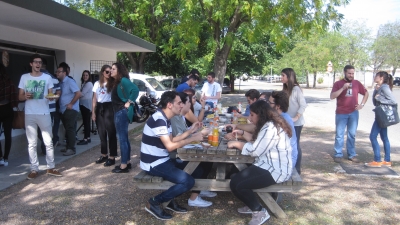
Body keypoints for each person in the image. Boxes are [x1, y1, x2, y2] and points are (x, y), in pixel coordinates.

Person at [227, 100, 292, 225]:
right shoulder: (268, 125)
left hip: (276, 169)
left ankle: (260, 211)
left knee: (237, 183)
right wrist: (241, 133)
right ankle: (252, 205)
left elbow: (255, 150)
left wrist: (236, 143)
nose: (249, 118)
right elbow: (258, 142)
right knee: (235, 177)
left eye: (252, 115)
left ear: (261, 114)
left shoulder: (270, 128)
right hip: (267, 164)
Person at [140, 91, 203, 220]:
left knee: (197, 169)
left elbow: (172, 139)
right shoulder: (159, 119)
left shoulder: (164, 118)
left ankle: (169, 200)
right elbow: (170, 146)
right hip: (153, 163)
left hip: (163, 160)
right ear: (169, 105)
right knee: (188, 181)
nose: (182, 106)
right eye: (179, 103)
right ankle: (155, 202)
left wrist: (191, 131)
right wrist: (192, 139)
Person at [18, 54, 62, 179]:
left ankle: (51, 167)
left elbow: (51, 95)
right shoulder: (24, 77)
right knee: (31, 143)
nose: (38, 64)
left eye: (40, 62)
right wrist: (24, 96)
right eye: (36, 62)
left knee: (48, 141)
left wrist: (53, 97)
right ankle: (34, 169)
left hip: (44, 112)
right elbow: (19, 97)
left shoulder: (47, 78)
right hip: (29, 113)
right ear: (31, 64)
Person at [170, 92, 216, 207]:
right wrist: (195, 135)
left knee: (208, 163)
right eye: (188, 102)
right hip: (175, 156)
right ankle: (193, 199)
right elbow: (177, 139)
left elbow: (186, 133)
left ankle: (200, 188)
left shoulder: (180, 116)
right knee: (199, 168)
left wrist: (195, 133)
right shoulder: (174, 118)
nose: (191, 104)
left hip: (182, 150)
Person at [330, 65, 368, 163]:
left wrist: (362, 104)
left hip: (353, 113)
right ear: (345, 73)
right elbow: (332, 96)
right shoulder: (338, 84)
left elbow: (366, 93)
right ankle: (338, 154)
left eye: (352, 73)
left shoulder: (356, 83)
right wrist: (343, 88)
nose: (351, 75)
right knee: (339, 134)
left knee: (352, 134)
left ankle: (351, 154)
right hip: (341, 113)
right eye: (349, 73)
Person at [106, 63, 139, 173]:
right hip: (119, 112)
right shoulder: (117, 82)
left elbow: (135, 90)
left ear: (119, 70)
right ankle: (127, 162)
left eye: (114, 69)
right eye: (111, 69)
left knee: (122, 139)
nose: (111, 71)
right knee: (124, 138)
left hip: (121, 112)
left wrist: (129, 102)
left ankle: (123, 165)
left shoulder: (123, 80)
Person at [365, 72, 396, 168]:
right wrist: (375, 91)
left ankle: (377, 160)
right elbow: (375, 102)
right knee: (384, 137)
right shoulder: (380, 87)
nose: (374, 77)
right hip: (380, 115)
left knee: (372, 136)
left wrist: (381, 99)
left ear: (381, 78)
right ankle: (387, 160)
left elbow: (393, 101)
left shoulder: (385, 87)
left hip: (382, 116)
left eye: (376, 76)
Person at [281, 68, 307, 174]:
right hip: (286, 122)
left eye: (283, 75)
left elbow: (303, 104)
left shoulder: (296, 89)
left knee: (295, 145)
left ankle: (297, 169)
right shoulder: (284, 89)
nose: (281, 77)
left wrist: (296, 117)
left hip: (296, 123)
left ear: (289, 76)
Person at [92, 65, 118, 167]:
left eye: (110, 72)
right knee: (101, 133)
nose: (109, 73)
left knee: (111, 132)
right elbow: (94, 99)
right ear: (103, 72)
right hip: (100, 107)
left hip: (109, 106)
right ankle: (104, 154)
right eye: (107, 72)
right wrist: (93, 112)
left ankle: (112, 156)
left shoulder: (113, 83)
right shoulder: (97, 84)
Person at [37, 58, 61, 155]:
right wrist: (54, 99)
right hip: (50, 108)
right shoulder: (54, 78)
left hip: (40, 108)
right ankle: (48, 145)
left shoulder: (37, 78)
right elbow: (59, 92)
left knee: (41, 130)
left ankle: (46, 147)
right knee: (46, 129)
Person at [57, 64, 81, 156]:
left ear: (64, 73)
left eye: (59, 72)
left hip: (71, 109)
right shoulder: (60, 83)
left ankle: (71, 148)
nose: (57, 73)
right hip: (63, 109)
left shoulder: (70, 82)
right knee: (67, 128)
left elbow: (78, 93)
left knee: (70, 128)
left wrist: (71, 104)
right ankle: (68, 146)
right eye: (57, 71)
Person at [0, 64, 18, 167]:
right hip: (7, 109)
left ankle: (0, 156)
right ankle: (6, 158)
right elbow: (14, 96)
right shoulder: (8, 81)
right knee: (8, 135)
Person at [77, 70, 93, 145]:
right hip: (84, 104)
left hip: (86, 105)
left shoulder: (89, 84)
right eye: (84, 75)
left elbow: (82, 94)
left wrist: (76, 94)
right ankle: (88, 137)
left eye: (86, 75)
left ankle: (86, 138)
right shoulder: (84, 83)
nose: (85, 76)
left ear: (89, 76)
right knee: (86, 122)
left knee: (86, 122)